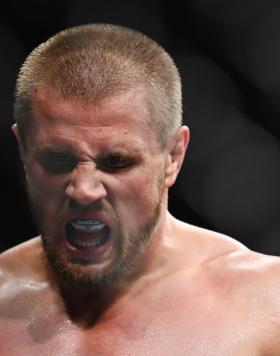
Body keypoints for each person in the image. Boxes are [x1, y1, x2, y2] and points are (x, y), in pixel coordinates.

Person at [0, 23, 279, 355]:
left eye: (117, 162)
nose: (84, 190)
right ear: (23, 151)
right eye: (58, 160)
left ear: (173, 156)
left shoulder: (266, 305)